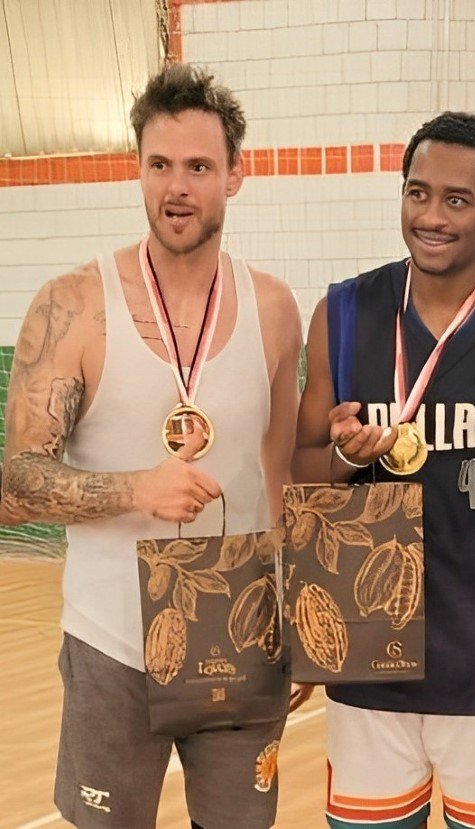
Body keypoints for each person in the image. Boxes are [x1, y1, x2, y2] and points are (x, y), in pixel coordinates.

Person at [0, 64, 301, 828]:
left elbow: (283, 475)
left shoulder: (271, 308)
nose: (177, 187)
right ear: (137, 168)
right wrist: (138, 488)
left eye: (199, 166)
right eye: (159, 164)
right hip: (111, 642)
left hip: (240, 634)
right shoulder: (71, 306)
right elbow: (15, 487)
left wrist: (301, 612)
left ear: (236, 175)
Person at [291, 112, 475, 829]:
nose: (431, 216)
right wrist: (349, 456)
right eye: (418, 194)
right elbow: (301, 475)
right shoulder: (343, 312)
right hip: (368, 656)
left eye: (456, 199)